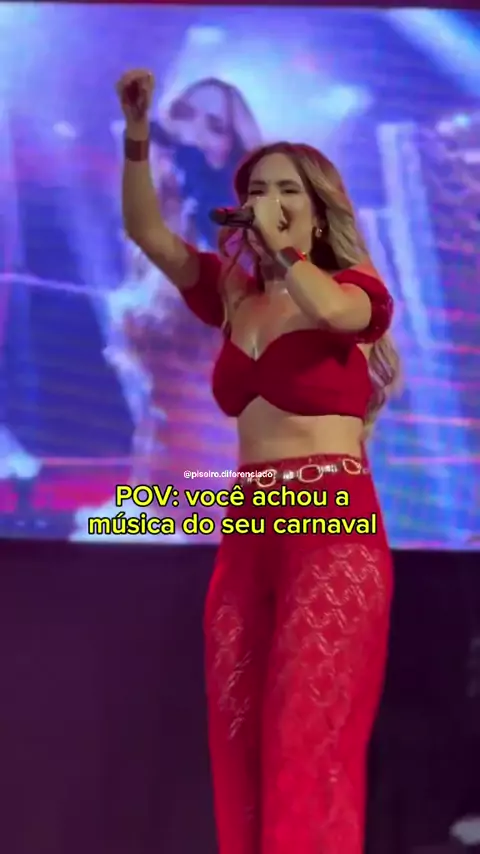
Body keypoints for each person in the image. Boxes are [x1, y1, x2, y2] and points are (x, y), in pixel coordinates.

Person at [117, 68, 401, 854]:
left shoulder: (355, 289)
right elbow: (147, 232)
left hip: (333, 528)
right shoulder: (234, 295)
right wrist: (137, 133)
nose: (268, 200)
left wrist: (286, 252)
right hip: (251, 524)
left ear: (316, 210)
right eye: (257, 189)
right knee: (238, 735)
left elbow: (333, 309)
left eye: (287, 190)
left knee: (305, 734)